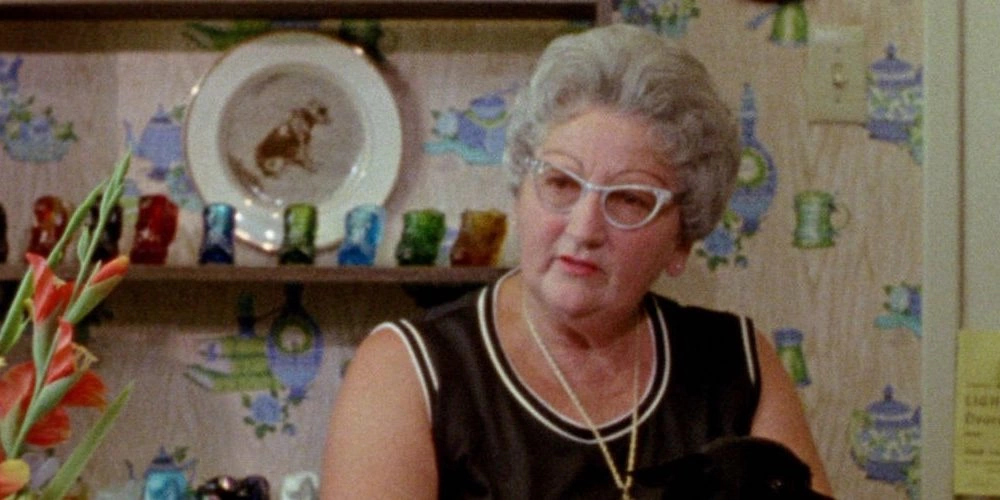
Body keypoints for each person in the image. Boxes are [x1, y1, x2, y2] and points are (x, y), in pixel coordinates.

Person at [322, 23, 833, 499]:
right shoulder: (407, 369)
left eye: (630, 199)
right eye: (562, 183)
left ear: (682, 240)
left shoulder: (736, 362)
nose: (584, 229)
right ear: (520, 191)